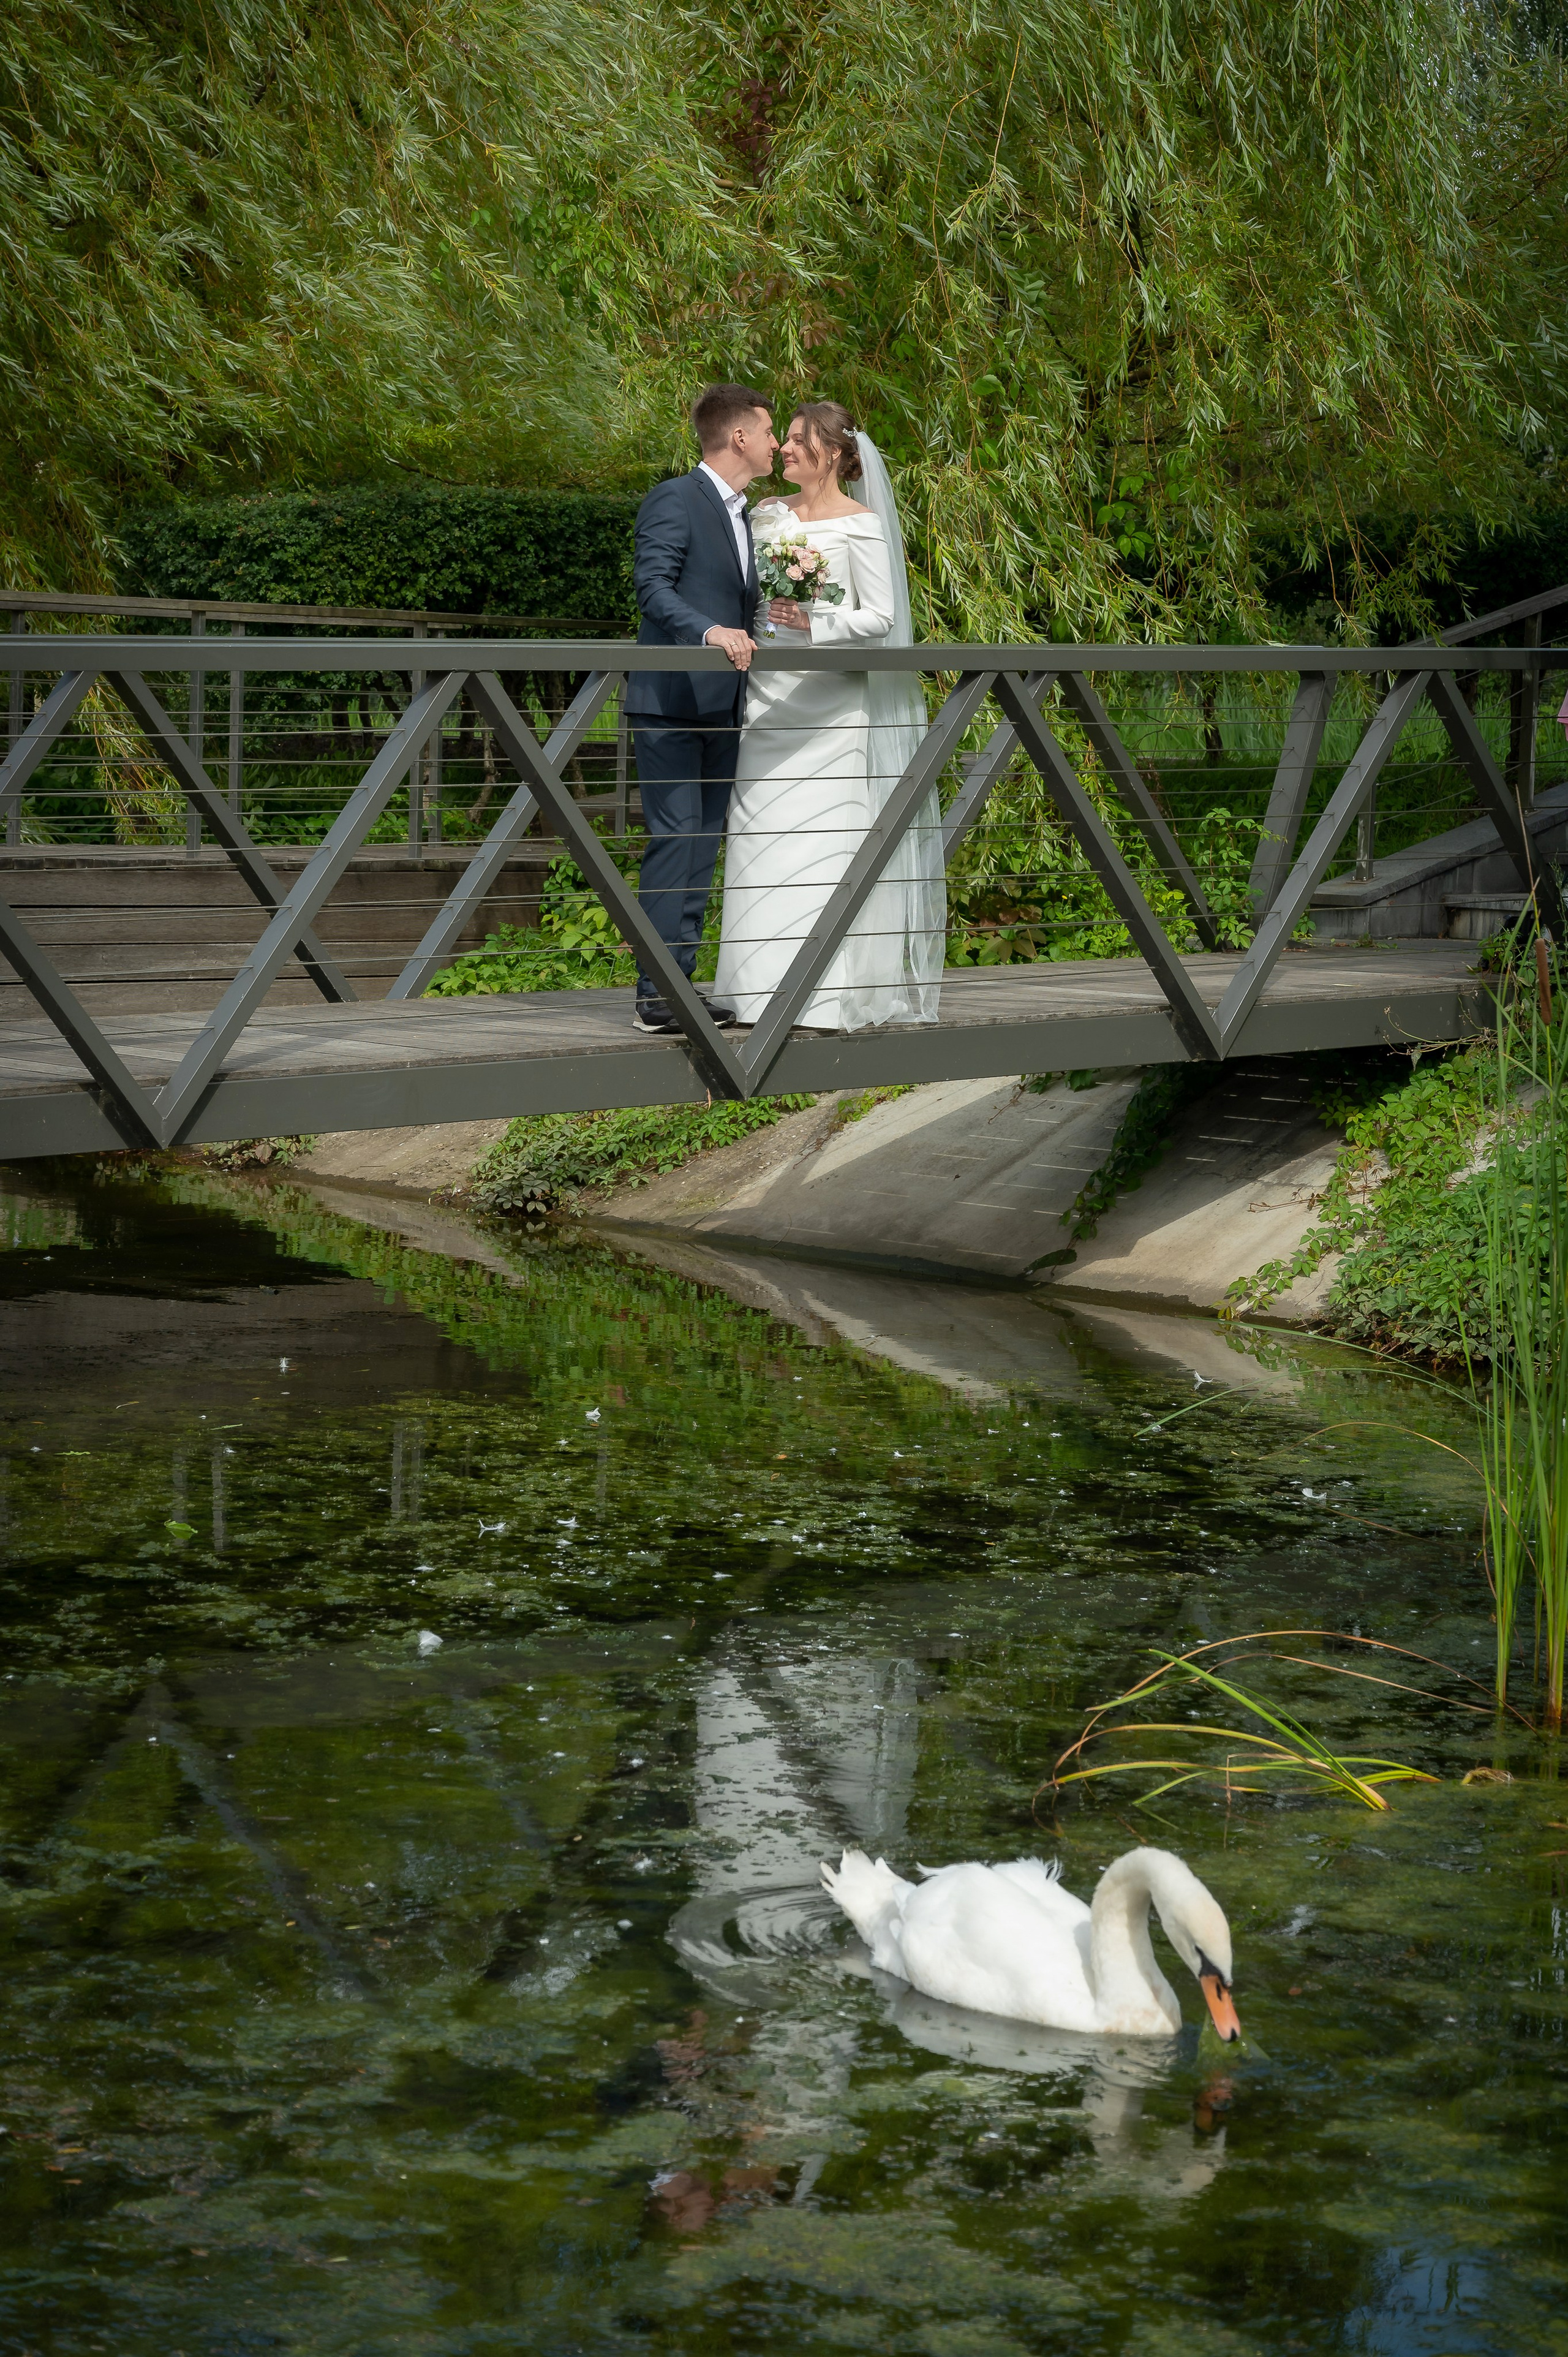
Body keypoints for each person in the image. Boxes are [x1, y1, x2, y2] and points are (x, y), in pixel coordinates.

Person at [712, 401, 944, 1032]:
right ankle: (750, 992)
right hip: (768, 696)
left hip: (832, 704)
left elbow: (881, 617)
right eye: (784, 438)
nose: (784, 449)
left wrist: (815, 622)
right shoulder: (766, 515)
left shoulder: (861, 525)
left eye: (797, 440)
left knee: (826, 836)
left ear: (835, 454)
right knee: (759, 835)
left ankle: (821, 997)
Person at [624, 383, 778, 1034]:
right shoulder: (675, 498)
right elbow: (652, 587)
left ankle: (679, 987)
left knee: (702, 844)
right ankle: (657, 997)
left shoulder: (746, 516)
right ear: (739, 436)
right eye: (768, 431)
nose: (776, 443)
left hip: (724, 705)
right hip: (671, 703)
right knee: (676, 839)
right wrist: (708, 631)